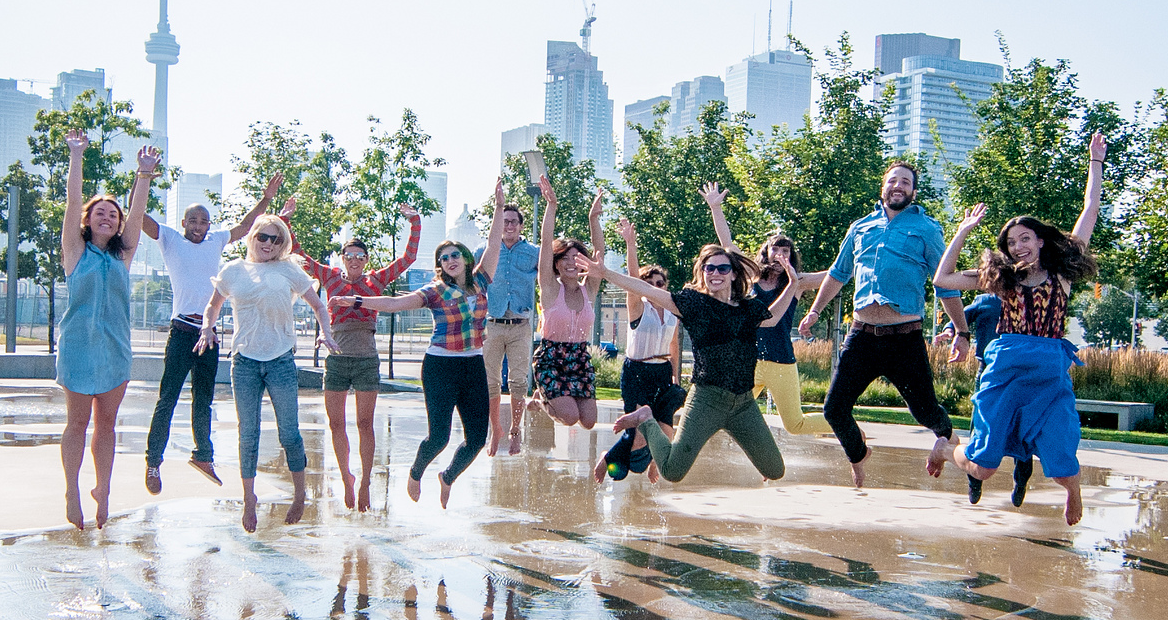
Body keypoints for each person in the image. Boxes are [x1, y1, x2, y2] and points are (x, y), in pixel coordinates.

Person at [931, 133, 1107, 526]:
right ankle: (946, 449)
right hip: (1005, 372)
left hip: (1048, 376)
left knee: (1062, 463)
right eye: (1011, 242)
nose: (1018, 247)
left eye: (1025, 238)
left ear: (1040, 241)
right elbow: (942, 277)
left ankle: (1072, 492)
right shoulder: (1000, 278)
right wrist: (963, 229)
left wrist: (1095, 163)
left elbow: (1091, 209)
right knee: (982, 467)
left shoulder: (1061, 273)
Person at [577, 184, 792, 484]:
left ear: (732, 273)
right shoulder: (693, 303)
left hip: (743, 403)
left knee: (775, 470)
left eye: (721, 268)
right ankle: (646, 419)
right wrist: (606, 273)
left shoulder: (746, 307)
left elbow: (774, 318)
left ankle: (646, 424)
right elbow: (644, 288)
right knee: (672, 470)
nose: (715, 273)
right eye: (708, 268)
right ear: (702, 273)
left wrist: (793, 284)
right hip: (707, 399)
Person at [798, 161, 971, 488]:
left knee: (925, 411)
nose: (898, 186)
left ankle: (947, 440)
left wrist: (961, 332)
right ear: (884, 186)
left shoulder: (928, 229)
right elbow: (837, 274)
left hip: (904, 340)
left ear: (913, 191)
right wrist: (815, 310)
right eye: (893, 180)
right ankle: (859, 455)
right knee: (834, 410)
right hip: (861, 337)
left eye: (905, 182)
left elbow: (945, 284)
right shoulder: (860, 227)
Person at [329, 191, 506, 509]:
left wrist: (498, 207)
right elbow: (394, 304)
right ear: (441, 266)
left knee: (477, 438)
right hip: (440, 366)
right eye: (444, 258)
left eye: (454, 255)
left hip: (472, 364)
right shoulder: (434, 291)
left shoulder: (481, 280)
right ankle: (416, 471)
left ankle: (448, 477)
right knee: (438, 437)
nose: (450, 261)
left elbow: (493, 245)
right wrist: (357, 300)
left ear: (465, 258)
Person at [194, 214, 340, 533]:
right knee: (249, 434)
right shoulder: (234, 270)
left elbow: (318, 305)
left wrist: (324, 331)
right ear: (253, 237)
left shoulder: (288, 269)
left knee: (289, 432)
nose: (269, 244)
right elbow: (212, 306)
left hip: (280, 361)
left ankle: (300, 494)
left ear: (282, 244)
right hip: (244, 361)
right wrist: (207, 327)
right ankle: (249, 499)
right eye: (264, 237)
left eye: (276, 239)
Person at [142, 173, 284, 496]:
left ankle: (203, 456)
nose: (198, 225)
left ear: (209, 225)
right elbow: (142, 222)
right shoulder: (170, 239)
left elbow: (246, 228)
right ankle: (153, 461)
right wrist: (141, 182)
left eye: (203, 221)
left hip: (209, 335)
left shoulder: (217, 240)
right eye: (192, 220)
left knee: (203, 401)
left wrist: (266, 199)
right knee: (168, 398)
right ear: (183, 222)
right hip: (181, 332)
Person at [279, 197, 421, 512]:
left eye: (360, 256)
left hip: (366, 358)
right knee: (335, 424)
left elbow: (409, 257)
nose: (354, 260)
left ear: (366, 260)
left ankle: (367, 481)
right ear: (342, 258)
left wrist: (415, 221)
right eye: (350, 255)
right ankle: (346, 479)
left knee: (365, 423)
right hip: (337, 358)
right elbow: (297, 254)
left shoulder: (376, 280)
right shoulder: (329, 277)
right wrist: (286, 219)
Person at [57, 129, 160, 529]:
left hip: (116, 350)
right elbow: (71, 201)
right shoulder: (75, 251)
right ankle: (71, 490)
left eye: (113, 214)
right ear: (88, 219)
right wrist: (76, 156)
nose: (107, 215)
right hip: (79, 348)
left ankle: (103, 491)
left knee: (107, 425)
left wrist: (144, 174)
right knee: (77, 424)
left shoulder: (124, 254)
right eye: (100, 211)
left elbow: (137, 214)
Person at [704, 186, 832, 435]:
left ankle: (843, 423)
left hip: (781, 361)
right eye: (776, 250)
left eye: (786, 251)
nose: (780, 255)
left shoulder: (797, 282)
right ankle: (763, 457)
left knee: (795, 425)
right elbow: (728, 245)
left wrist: (861, 257)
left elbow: (834, 275)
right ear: (766, 252)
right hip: (749, 361)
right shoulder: (751, 275)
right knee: (728, 413)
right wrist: (716, 208)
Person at [592, 217, 683, 484]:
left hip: (663, 370)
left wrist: (675, 375)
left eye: (661, 283)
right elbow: (632, 279)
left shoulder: (672, 312)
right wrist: (630, 244)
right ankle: (609, 457)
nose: (657, 287)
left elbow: (674, 345)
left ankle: (657, 459)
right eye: (651, 282)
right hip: (637, 371)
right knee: (639, 432)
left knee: (666, 429)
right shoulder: (638, 307)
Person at [933, 293, 1032, 506]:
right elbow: (961, 317)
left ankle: (1021, 480)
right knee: (980, 429)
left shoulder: (1030, 296)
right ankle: (975, 482)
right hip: (988, 372)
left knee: (1022, 429)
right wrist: (950, 331)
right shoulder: (986, 300)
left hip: (1020, 373)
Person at [528, 175, 605, 429]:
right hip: (551, 357)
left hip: (579, 357)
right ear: (557, 263)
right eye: (566, 258)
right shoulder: (550, 289)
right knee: (570, 417)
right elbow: (545, 247)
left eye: (577, 257)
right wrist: (551, 207)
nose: (572, 262)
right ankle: (541, 399)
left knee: (589, 422)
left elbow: (599, 255)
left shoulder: (589, 290)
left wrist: (594, 220)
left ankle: (547, 397)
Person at [476, 180, 539, 456]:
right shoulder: (484, 251)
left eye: (514, 222)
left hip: (520, 325)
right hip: (492, 324)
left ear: (521, 225)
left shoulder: (533, 252)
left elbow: (551, 277)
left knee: (517, 381)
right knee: (490, 381)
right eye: (504, 221)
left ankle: (515, 430)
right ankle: (495, 430)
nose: (509, 226)